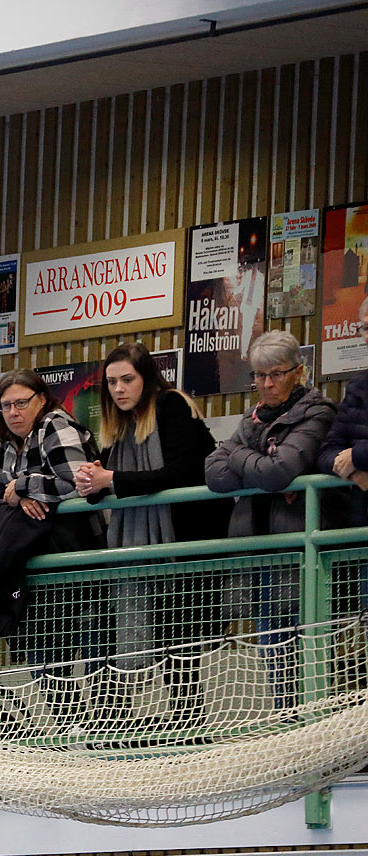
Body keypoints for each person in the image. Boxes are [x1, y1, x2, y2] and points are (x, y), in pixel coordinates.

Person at [74, 342, 228, 729]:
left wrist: (111, 480)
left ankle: (188, 724)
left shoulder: (171, 405)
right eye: (111, 382)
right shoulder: (118, 427)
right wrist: (90, 484)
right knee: (160, 636)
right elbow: (110, 483)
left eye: (127, 380)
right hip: (144, 550)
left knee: (179, 641)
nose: (119, 389)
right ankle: (148, 722)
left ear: (147, 379)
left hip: (185, 543)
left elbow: (180, 472)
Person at [206, 331, 340, 708]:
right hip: (261, 552)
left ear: (299, 372)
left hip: (303, 554)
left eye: (276, 374)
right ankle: (288, 725)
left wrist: (241, 460)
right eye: (259, 376)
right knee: (271, 647)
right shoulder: (252, 421)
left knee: (308, 647)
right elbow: (213, 473)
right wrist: (255, 463)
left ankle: (316, 728)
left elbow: (279, 470)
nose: (266, 384)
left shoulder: (318, 411)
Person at [0, 370, 104, 718]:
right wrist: (20, 496)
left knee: (91, 646)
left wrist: (24, 485)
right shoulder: (1, 438)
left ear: (42, 399)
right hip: (31, 560)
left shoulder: (55, 424)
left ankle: (103, 730)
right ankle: (70, 730)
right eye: (5, 405)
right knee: (42, 650)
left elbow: (80, 482)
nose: (13, 412)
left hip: (77, 556)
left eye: (21, 402)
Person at [318, 297, 368, 527]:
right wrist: (352, 471)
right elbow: (327, 451)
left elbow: (352, 454)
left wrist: (356, 457)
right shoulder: (358, 386)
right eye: (366, 328)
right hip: (360, 525)